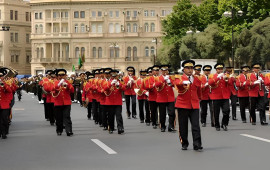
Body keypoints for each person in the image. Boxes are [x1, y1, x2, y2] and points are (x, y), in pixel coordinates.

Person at [174, 60, 203, 151]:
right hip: (182, 104)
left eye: (191, 68)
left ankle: (197, 144)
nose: (190, 70)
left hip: (194, 105)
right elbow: (178, 85)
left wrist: (200, 98)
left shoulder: (197, 78)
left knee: (195, 125)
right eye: (188, 68)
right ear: (184, 70)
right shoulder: (179, 78)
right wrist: (184, 83)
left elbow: (199, 90)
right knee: (183, 126)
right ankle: (184, 143)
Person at [208, 63, 232, 131]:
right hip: (216, 96)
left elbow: (230, 83)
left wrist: (228, 79)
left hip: (225, 96)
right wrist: (218, 77)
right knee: (216, 112)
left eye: (221, 69)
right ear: (216, 70)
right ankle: (217, 125)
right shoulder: (212, 76)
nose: (220, 70)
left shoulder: (225, 75)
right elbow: (210, 82)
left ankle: (224, 124)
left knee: (226, 110)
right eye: (219, 69)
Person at [52, 69, 75, 136]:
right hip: (58, 102)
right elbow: (52, 89)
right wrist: (59, 84)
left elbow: (72, 90)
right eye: (59, 75)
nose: (61, 76)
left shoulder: (68, 82)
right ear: (57, 76)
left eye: (63, 75)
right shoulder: (55, 82)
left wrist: (67, 86)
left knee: (67, 116)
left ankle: (69, 131)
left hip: (66, 102)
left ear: (65, 76)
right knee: (58, 118)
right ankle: (59, 130)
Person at [155, 65, 176, 132]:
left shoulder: (171, 77)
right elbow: (157, 85)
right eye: (163, 70)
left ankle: (171, 127)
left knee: (172, 113)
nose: (165, 72)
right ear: (161, 71)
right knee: (162, 113)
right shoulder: (158, 78)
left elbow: (175, 84)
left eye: (166, 70)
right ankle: (163, 126)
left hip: (170, 98)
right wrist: (163, 79)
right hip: (162, 98)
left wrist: (169, 81)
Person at [103, 70, 124, 134]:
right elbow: (104, 88)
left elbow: (124, 88)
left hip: (118, 101)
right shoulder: (107, 82)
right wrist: (110, 84)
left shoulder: (120, 82)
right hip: (110, 101)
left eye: (115, 76)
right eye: (113, 76)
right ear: (110, 76)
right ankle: (111, 127)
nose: (114, 78)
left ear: (117, 76)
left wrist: (119, 85)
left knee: (118, 115)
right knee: (110, 116)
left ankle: (120, 127)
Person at [0, 68, 12, 139]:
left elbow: (10, 91)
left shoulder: (5, 83)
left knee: (4, 119)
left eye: (1, 77)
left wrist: (3, 85)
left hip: (4, 104)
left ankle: (4, 132)